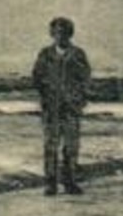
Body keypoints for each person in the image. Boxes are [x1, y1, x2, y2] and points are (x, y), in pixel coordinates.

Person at [31, 15, 91, 196]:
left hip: (71, 108)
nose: (60, 36)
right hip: (52, 108)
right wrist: (46, 97)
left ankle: (70, 183)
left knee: (71, 147)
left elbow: (85, 79)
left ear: (70, 34)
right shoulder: (45, 54)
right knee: (51, 146)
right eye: (56, 32)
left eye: (64, 33)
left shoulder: (78, 54)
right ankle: (50, 184)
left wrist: (78, 99)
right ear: (51, 34)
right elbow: (37, 77)